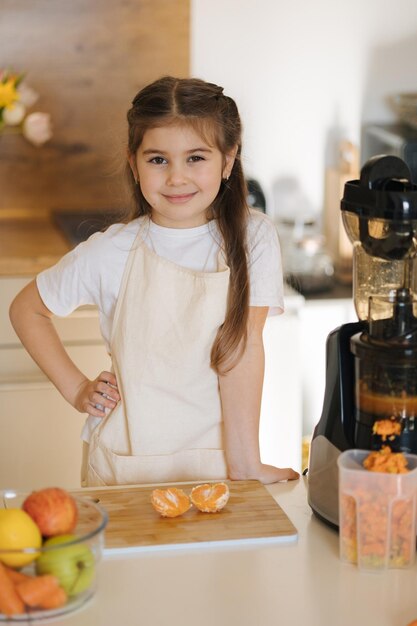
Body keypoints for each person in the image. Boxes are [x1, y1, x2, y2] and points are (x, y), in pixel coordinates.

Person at [9, 76, 300, 487]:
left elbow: (244, 349)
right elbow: (27, 309)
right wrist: (77, 389)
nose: (177, 178)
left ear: (228, 160)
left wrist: (245, 465)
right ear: (134, 163)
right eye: (158, 160)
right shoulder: (112, 251)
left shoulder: (255, 238)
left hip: (217, 464)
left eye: (196, 158)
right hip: (125, 467)